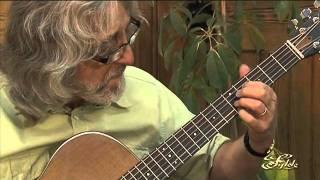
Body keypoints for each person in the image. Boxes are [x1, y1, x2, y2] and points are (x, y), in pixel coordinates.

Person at [0, 1, 277, 180]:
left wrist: (258, 141)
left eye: (128, 34)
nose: (129, 58)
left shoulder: (144, 92)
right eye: (106, 51)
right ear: (52, 62)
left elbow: (218, 168)